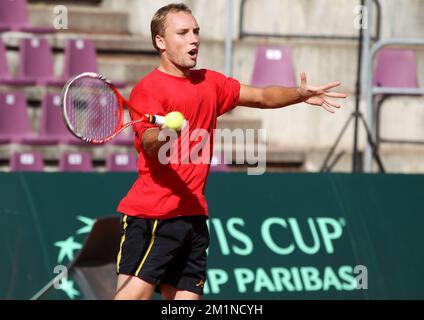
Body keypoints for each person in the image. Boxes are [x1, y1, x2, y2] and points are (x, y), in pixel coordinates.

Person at [114, 3, 347, 300]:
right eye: (183, 33)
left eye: (196, 31)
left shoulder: (210, 82)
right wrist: (167, 133)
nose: (194, 39)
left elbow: (262, 97)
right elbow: (148, 142)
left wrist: (298, 95)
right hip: (154, 216)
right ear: (160, 42)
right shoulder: (149, 90)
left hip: (193, 217)